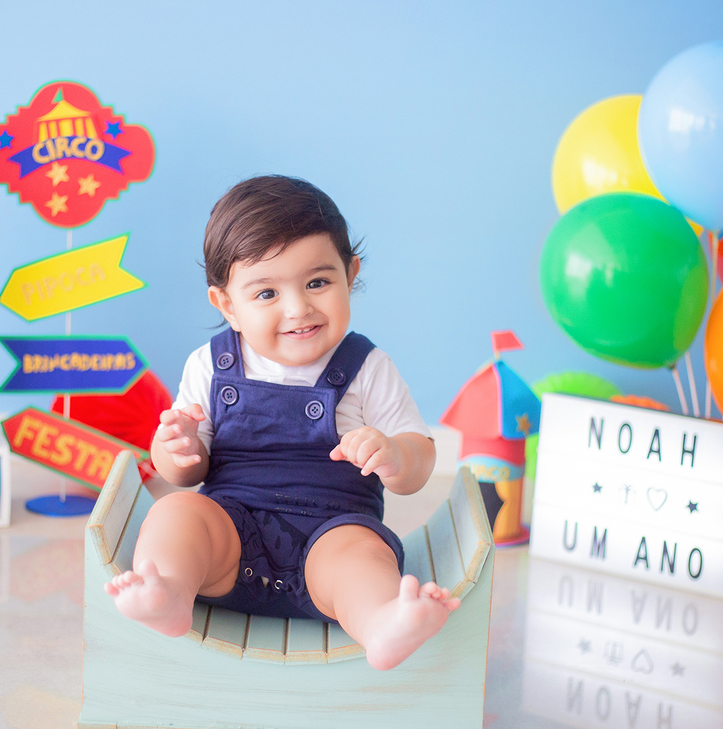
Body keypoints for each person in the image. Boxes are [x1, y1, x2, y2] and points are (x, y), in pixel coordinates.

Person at [104, 176, 459, 670]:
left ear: (349, 274)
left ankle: (379, 623)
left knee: (362, 556)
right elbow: (181, 473)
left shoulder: (366, 366)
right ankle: (169, 589)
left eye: (317, 282)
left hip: (333, 534)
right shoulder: (210, 365)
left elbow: (419, 461)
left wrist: (396, 455)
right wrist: (177, 448)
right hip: (231, 536)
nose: (298, 309)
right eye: (267, 292)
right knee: (177, 511)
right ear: (227, 304)